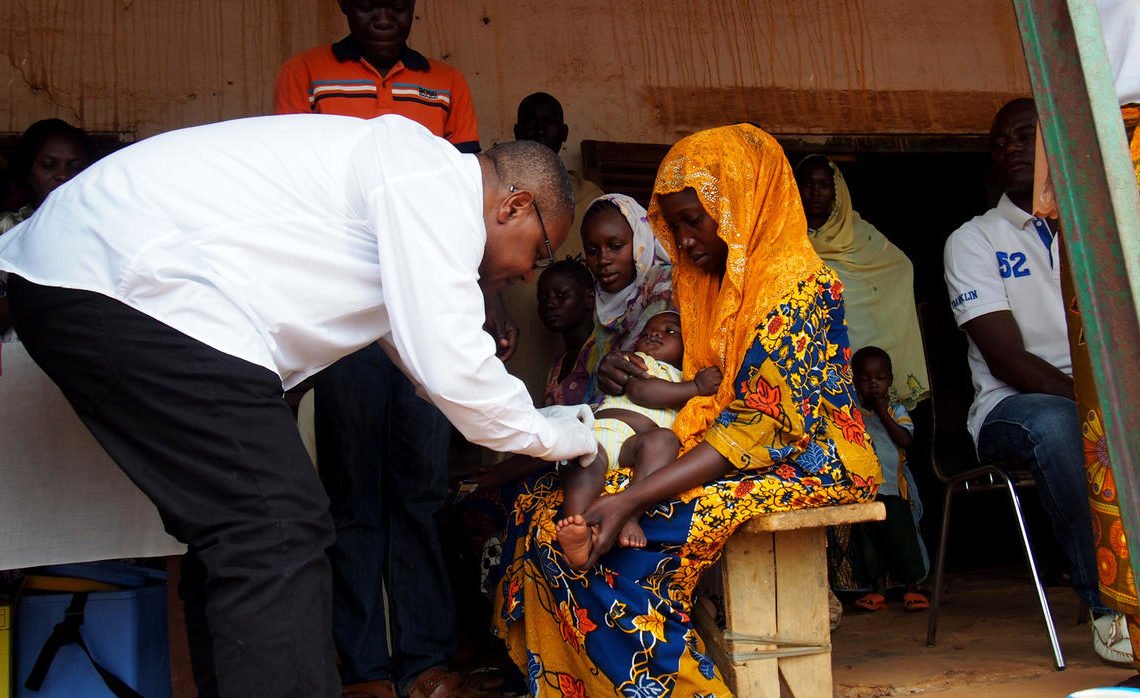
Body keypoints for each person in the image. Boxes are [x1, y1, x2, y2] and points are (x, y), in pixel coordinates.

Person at [0, 114, 598, 698]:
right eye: (539, 251)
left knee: (243, 533)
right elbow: (455, 368)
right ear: (513, 206)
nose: (525, 273)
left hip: (96, 280)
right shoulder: (431, 181)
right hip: (123, 281)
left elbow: (420, 358)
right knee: (276, 528)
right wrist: (571, 437)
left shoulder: (408, 184)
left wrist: (538, 422)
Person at [492, 124, 880, 694]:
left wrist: (628, 499)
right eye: (673, 226)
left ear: (744, 202)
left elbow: (755, 430)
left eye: (695, 221)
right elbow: (702, 396)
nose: (686, 241)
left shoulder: (797, 289)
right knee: (543, 511)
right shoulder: (710, 288)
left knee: (618, 553)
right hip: (724, 450)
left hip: (807, 461)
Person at [274, 4, 505, 696]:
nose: (383, 14)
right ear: (345, 3)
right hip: (344, 313)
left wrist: (485, 306)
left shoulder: (446, 84)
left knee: (422, 490)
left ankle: (425, 659)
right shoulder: (306, 75)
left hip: (424, 313)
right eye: (369, 1)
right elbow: (294, 188)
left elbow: (468, 205)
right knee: (353, 497)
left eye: (397, 2)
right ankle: (364, 668)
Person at [943, 97, 1132, 667]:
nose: (1011, 151)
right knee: (1064, 428)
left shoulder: (1108, 223)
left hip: (1110, 391)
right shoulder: (974, 239)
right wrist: (1106, 406)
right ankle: (1112, 609)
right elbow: (1005, 359)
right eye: (1000, 144)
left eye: (1026, 138)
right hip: (1016, 405)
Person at [556, 310, 722, 567]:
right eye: (647, 332)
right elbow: (641, 391)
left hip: (637, 443)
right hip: (600, 433)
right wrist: (696, 389)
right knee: (584, 465)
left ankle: (631, 515)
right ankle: (579, 529)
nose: (655, 333)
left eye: (670, 331)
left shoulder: (683, 376)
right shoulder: (639, 362)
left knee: (664, 441)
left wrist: (693, 386)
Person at [794, 154, 928, 408]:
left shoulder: (858, 233)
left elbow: (900, 267)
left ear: (836, 192)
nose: (814, 193)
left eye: (823, 185)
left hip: (858, 349)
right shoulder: (784, 231)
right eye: (807, 184)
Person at [504, 92, 605, 404]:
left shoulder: (589, 196)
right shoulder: (498, 193)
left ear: (564, 134)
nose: (538, 129)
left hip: (577, 328)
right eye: (531, 122)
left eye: (548, 122)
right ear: (517, 133)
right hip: (515, 321)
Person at [848, 346, 928, 612]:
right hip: (865, 491)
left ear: (890, 380)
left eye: (880, 378)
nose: (873, 384)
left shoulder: (897, 410)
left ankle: (912, 589)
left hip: (895, 491)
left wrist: (881, 410)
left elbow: (905, 440)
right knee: (870, 543)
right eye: (865, 378)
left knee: (903, 539)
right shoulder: (854, 414)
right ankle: (878, 591)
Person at [580, 193, 673, 401]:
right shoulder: (603, 302)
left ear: (640, 240)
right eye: (592, 250)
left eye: (615, 246)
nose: (603, 259)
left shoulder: (666, 287)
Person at [0, 118, 94, 234]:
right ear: (28, 171)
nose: (63, 175)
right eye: (48, 165)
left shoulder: (101, 227)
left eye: (75, 167)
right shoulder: (8, 228)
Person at [537, 257, 596, 407]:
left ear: (589, 298)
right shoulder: (557, 366)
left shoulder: (602, 352)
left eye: (561, 295)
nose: (550, 303)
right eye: (543, 298)